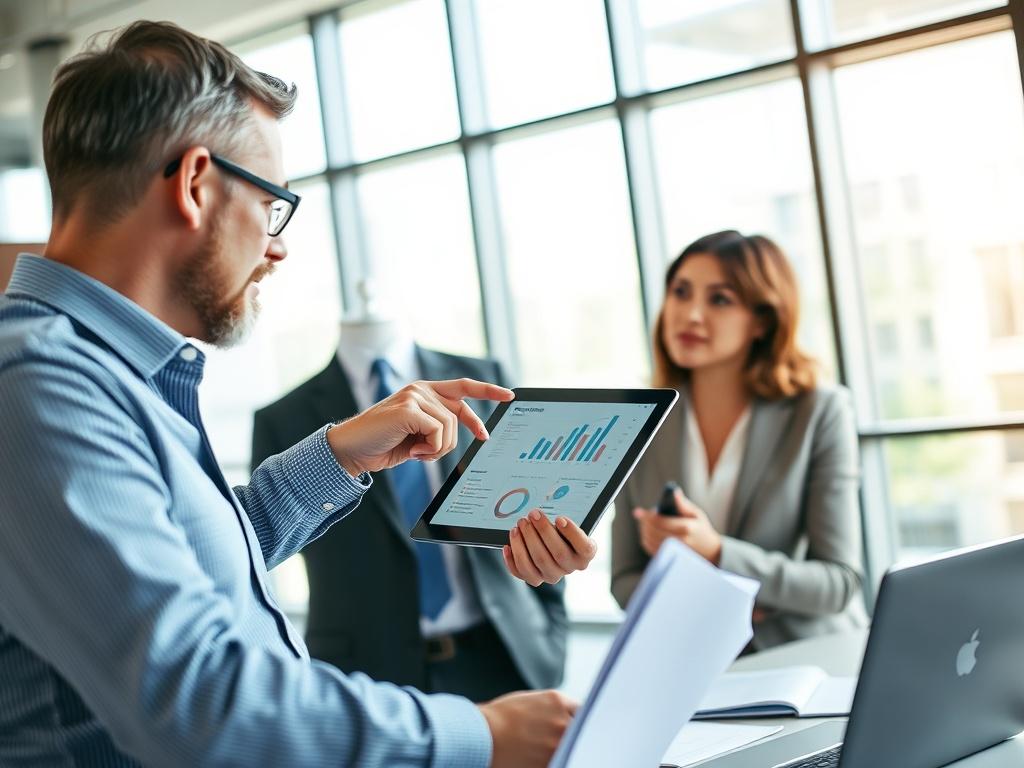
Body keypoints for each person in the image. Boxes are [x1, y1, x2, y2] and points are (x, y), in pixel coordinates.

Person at [0, 21, 596, 767]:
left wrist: (339, 456)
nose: (277, 245)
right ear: (193, 184)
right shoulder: (40, 388)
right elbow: (199, 700)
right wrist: (483, 734)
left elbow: (190, 555)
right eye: (272, 204)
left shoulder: (103, 372)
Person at [251, 299, 568, 702]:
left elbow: (536, 509)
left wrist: (551, 619)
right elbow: (266, 538)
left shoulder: (486, 379)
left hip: (502, 657)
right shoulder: (282, 419)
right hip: (368, 675)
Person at [611, 230, 867, 651]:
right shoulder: (638, 419)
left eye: (720, 299)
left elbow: (837, 583)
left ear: (763, 321)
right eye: (680, 292)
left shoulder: (819, 411)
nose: (691, 314)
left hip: (807, 661)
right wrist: (716, 606)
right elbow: (624, 579)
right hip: (692, 664)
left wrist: (716, 553)